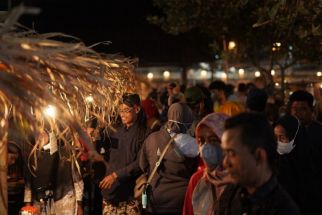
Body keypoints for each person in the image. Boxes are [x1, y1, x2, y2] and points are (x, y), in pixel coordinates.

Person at [216, 113, 300, 215]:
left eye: (232, 153)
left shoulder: (284, 210)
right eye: (225, 153)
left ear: (259, 156)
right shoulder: (230, 194)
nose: (225, 162)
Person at [139, 102, 198, 215]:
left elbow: (143, 165)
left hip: (155, 197)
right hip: (181, 201)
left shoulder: (152, 138)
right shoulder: (193, 144)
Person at [100, 93, 150, 215]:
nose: (122, 114)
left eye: (126, 110)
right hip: (111, 192)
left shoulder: (145, 133)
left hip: (131, 194)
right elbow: (108, 155)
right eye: (120, 111)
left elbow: (140, 163)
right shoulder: (115, 130)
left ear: (137, 109)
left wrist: (116, 175)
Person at [24, 131, 84, 215]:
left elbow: (77, 180)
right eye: (36, 133)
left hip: (65, 201)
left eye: (42, 133)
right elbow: (28, 184)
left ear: (49, 134)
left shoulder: (65, 153)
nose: (39, 136)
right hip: (40, 203)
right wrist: (27, 206)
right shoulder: (32, 157)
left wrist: (79, 205)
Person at [274, 114, 322, 214]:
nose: (278, 142)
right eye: (275, 137)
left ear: (295, 137)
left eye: (282, 137)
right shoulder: (275, 164)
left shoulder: (313, 162)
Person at [183, 113, 229, 215]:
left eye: (213, 140)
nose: (205, 146)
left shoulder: (242, 181)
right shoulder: (197, 180)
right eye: (201, 141)